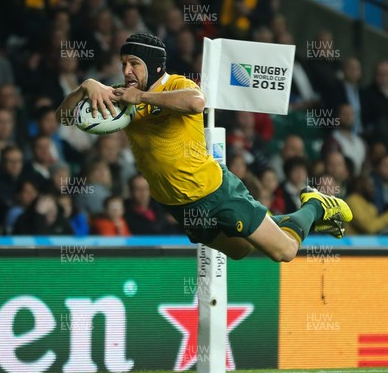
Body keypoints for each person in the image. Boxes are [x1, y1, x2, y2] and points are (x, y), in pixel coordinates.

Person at [57, 33, 353, 261]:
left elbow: (197, 102)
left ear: (153, 65)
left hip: (214, 191)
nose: (127, 70)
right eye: (124, 63)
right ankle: (278, 221)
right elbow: (65, 117)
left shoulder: (174, 85)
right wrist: (85, 86)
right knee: (241, 250)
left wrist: (142, 99)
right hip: (178, 206)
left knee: (284, 252)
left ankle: (315, 204)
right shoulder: (121, 96)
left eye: (134, 62)